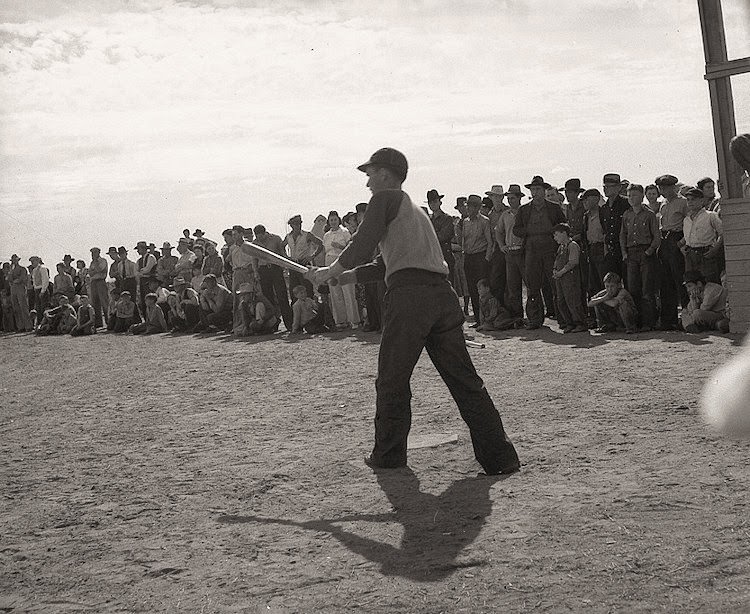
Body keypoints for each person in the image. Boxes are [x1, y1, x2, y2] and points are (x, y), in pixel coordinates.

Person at [309, 147, 519, 475]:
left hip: (410, 300)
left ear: (385, 174)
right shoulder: (414, 210)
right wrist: (346, 277)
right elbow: (387, 261)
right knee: (465, 381)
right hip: (441, 297)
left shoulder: (385, 199)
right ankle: (501, 457)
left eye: (370, 175)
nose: (367, 184)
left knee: (392, 379)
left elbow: (363, 244)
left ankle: (389, 455)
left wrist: (328, 271)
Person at [513, 176, 566, 329]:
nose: (535, 192)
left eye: (537, 189)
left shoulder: (554, 207)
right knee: (532, 285)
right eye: (532, 189)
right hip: (531, 250)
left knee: (556, 284)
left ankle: (562, 319)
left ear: (544, 191)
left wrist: (556, 234)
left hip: (550, 249)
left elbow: (563, 225)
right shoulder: (524, 210)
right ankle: (535, 320)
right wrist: (528, 231)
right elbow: (516, 229)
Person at [619, 183, 660, 332]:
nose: (631, 198)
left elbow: (657, 236)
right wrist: (624, 252)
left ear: (642, 196)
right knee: (632, 288)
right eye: (629, 195)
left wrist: (649, 251)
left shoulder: (649, 215)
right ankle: (634, 322)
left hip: (645, 252)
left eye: (635, 195)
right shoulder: (627, 215)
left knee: (647, 289)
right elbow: (622, 235)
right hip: (631, 254)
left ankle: (648, 323)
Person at [655, 174, 688, 331]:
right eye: (661, 188)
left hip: (677, 238)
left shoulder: (683, 202)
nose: (662, 190)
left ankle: (687, 318)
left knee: (679, 279)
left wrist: (681, 243)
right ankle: (669, 319)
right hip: (665, 240)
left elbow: (689, 223)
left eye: (665, 187)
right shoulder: (663, 205)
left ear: (673, 187)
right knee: (666, 282)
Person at [459, 194, 494, 327]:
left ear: (477, 207)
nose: (468, 209)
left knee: (482, 289)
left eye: (471, 206)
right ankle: (478, 320)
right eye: (467, 206)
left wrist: (486, 259)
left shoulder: (484, 221)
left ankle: (486, 319)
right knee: (472, 289)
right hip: (469, 257)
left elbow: (490, 242)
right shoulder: (465, 222)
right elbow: (464, 241)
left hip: (480, 256)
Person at [323, 210, 361, 330]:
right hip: (330, 261)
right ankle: (340, 320)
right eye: (331, 220)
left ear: (338, 220)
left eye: (335, 219)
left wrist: (340, 246)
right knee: (335, 291)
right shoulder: (326, 235)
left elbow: (351, 248)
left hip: (342, 261)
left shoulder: (344, 232)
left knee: (348, 290)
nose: (333, 222)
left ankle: (354, 320)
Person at [253, 224, 293, 331]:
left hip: (275, 268)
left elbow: (281, 253)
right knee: (268, 298)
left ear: (264, 233)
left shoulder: (275, 239)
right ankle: (273, 325)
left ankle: (289, 324)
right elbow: (254, 259)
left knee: (282, 296)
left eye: (260, 236)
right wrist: (256, 271)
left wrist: (286, 265)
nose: (259, 238)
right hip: (263, 270)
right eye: (257, 236)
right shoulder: (255, 243)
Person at [495, 184, 526, 322]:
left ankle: (533, 316)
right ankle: (517, 316)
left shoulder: (525, 212)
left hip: (523, 252)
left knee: (530, 284)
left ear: (519, 198)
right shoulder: (505, 215)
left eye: (512, 198)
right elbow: (498, 231)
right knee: (513, 287)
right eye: (508, 198)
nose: (510, 201)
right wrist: (501, 245)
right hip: (510, 253)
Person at [681, 187, 723, 284]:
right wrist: (683, 248)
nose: (690, 202)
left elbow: (722, 233)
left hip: (705, 252)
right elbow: (688, 236)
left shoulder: (710, 216)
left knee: (710, 282)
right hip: (690, 254)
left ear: (701, 200)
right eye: (688, 200)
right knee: (692, 284)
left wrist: (715, 248)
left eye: (693, 199)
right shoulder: (686, 219)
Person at [551, 223, 587, 333]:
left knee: (573, 300)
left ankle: (580, 323)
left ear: (564, 233)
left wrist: (561, 272)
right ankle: (569, 323)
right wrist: (555, 270)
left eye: (556, 235)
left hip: (571, 278)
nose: (555, 237)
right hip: (560, 279)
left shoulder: (573, 245)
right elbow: (557, 261)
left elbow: (573, 262)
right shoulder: (560, 247)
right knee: (561, 301)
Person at [282, 214, 323, 298]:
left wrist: (312, 256)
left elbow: (320, 244)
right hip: (293, 263)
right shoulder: (288, 237)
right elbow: (282, 246)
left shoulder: (307, 235)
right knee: (294, 288)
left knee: (307, 287)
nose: (298, 226)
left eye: (299, 224)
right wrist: (286, 257)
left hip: (303, 263)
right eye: (296, 224)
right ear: (291, 225)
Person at [600, 173, 630, 279]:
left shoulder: (627, 204)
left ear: (618, 187)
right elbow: (605, 231)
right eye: (604, 187)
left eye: (609, 186)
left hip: (626, 249)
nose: (606, 189)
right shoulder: (604, 208)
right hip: (611, 250)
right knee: (612, 283)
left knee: (629, 281)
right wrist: (606, 251)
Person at [484, 185, 508, 305]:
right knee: (496, 280)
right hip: (496, 250)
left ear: (502, 197)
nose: (496, 199)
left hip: (508, 247)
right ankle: (499, 309)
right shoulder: (490, 215)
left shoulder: (508, 211)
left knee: (509, 281)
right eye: (494, 196)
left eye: (498, 196)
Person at [426, 189, 456, 280]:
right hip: (432, 257)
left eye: (435, 201)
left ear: (440, 202)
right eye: (430, 202)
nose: (433, 204)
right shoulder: (428, 220)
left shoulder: (447, 219)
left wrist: (430, 236)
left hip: (445, 255)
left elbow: (443, 236)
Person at [8, 254, 33, 331]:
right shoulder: (11, 270)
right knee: (16, 308)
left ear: (18, 260)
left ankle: (28, 326)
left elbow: (22, 278)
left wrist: (16, 280)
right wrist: (11, 271)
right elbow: (9, 279)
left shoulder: (22, 269)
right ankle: (20, 326)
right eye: (13, 260)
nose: (14, 262)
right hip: (13, 289)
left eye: (15, 260)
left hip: (20, 288)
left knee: (23, 306)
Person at [135, 240, 157, 314]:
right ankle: (146, 317)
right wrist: (141, 272)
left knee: (150, 299)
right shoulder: (139, 260)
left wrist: (141, 272)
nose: (138, 251)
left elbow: (147, 269)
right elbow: (136, 272)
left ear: (144, 249)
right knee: (143, 300)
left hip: (150, 281)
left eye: (139, 249)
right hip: (142, 281)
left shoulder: (151, 257)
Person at [29, 255, 50, 327]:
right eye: (31, 261)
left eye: (34, 261)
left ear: (38, 261)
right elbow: (34, 281)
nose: (32, 263)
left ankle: (46, 323)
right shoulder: (34, 270)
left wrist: (43, 291)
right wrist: (35, 289)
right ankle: (40, 323)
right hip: (37, 289)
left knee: (44, 306)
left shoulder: (43, 268)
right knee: (38, 307)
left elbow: (45, 280)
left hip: (42, 289)